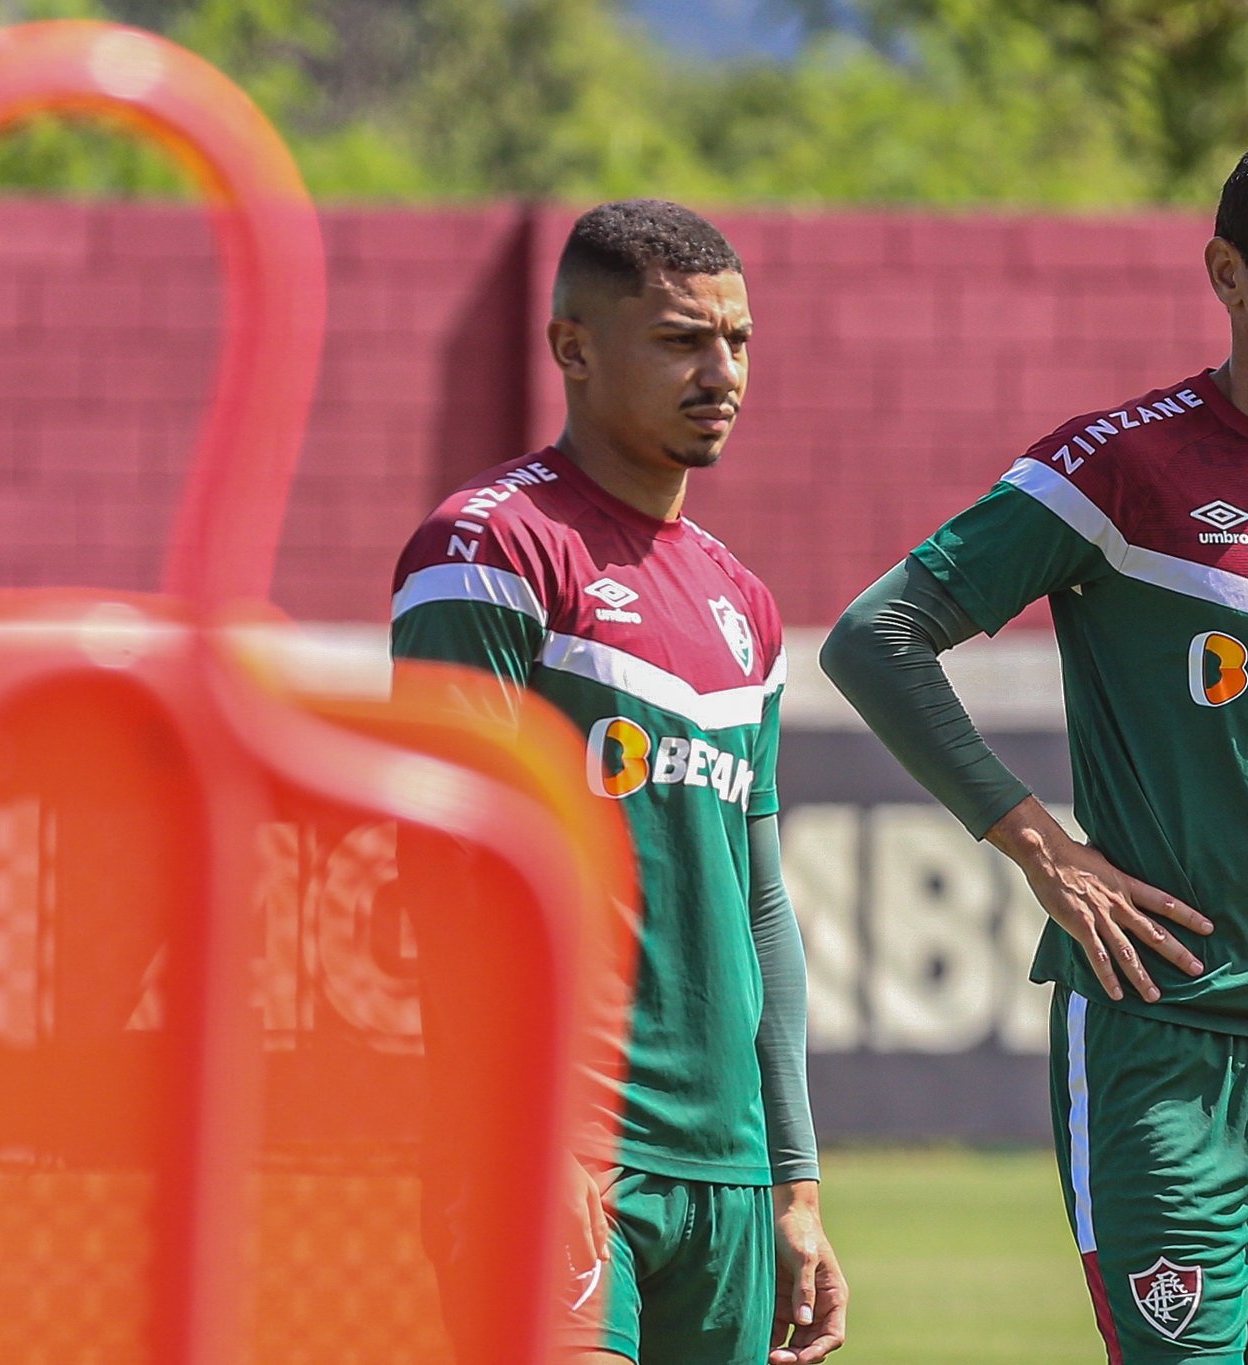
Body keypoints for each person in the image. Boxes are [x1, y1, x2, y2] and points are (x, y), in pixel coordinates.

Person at [821, 127, 1248, 1363]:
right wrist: (1039, 850)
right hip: (1162, 1032)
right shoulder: (1120, 467)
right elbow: (875, 635)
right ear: (1225, 272)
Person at [391, 199, 846, 1364]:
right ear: (573, 349)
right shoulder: (489, 550)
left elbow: (758, 906)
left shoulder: (743, 605)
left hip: (729, 1175)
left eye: (737, 341)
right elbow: (448, 866)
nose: (720, 372)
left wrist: (794, 1182)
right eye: (681, 340)